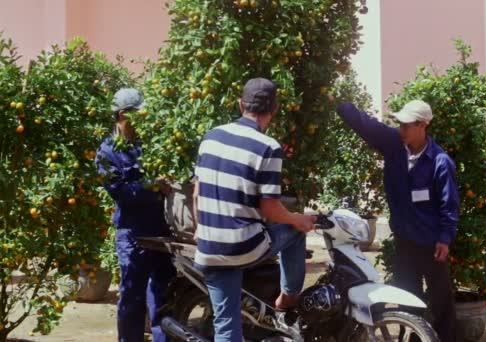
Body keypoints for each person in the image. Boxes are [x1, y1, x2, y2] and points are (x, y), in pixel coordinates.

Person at [193, 78, 316, 342]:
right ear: (274, 110)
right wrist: (299, 219)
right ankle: (286, 299)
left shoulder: (210, 137)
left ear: (241, 104)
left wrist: (199, 231)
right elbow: (270, 208)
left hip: (208, 245)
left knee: (225, 325)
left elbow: (196, 193)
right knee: (295, 231)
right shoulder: (268, 147)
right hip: (242, 247)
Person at [335, 98, 459, 342]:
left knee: (441, 300)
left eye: (406, 125)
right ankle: (413, 338)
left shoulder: (440, 162)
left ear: (422, 125)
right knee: (407, 297)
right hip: (404, 240)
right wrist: (339, 103)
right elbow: (365, 124)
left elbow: (449, 204)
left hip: (431, 243)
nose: (400, 130)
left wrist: (445, 239)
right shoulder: (393, 145)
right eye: (399, 124)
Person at [96, 88, 176, 342]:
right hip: (132, 232)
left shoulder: (149, 143)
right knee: (132, 295)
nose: (142, 121)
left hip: (160, 228)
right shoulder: (107, 153)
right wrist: (153, 185)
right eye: (136, 116)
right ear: (121, 115)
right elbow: (120, 192)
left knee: (164, 292)